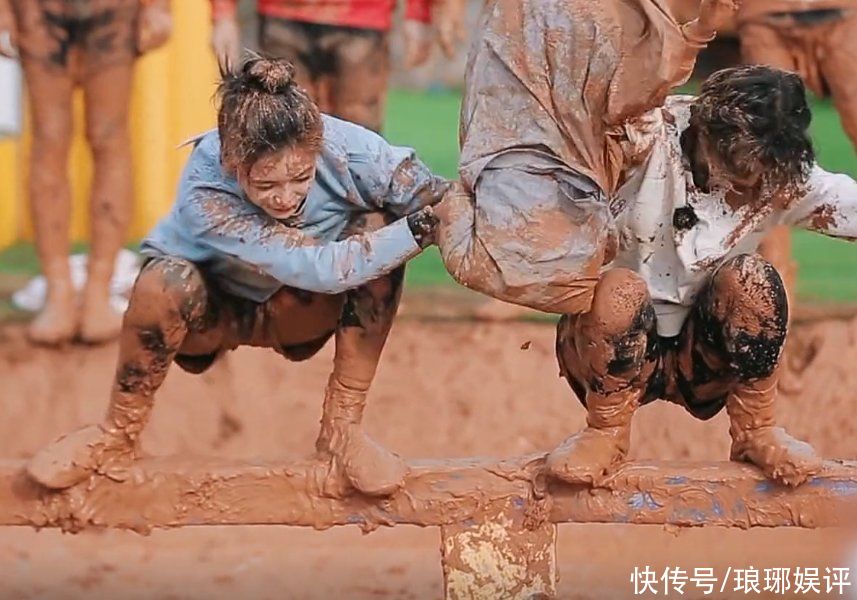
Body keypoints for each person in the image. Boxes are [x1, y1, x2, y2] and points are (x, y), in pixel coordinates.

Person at [436, 0, 847, 486]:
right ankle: (606, 432)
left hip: (706, 356)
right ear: (702, 133)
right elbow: (600, 107)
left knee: (755, 280)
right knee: (618, 290)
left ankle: (757, 430)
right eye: (737, 167)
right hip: (609, 348)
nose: (747, 184)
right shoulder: (643, 137)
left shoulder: (785, 178)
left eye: (758, 172)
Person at [25, 56, 449, 497]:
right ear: (232, 164)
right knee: (161, 281)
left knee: (378, 234)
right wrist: (422, 227)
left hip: (298, 310)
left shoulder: (355, 151)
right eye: (265, 186)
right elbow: (321, 268)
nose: (286, 198)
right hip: (210, 315)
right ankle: (116, 433)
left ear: (317, 144)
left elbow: (445, 200)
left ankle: (342, 428)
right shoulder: (206, 190)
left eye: (301, 177)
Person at [0, 0, 172, 345]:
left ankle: (98, 290)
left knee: (109, 135)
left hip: (112, 10)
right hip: (40, 11)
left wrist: (157, 6)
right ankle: (58, 290)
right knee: (49, 137)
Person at [209, 0, 465, 133]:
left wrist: (418, 15)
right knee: (284, 124)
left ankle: (360, 224)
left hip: (362, 20)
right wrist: (223, 16)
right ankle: (287, 228)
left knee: (359, 129)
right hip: (283, 20)